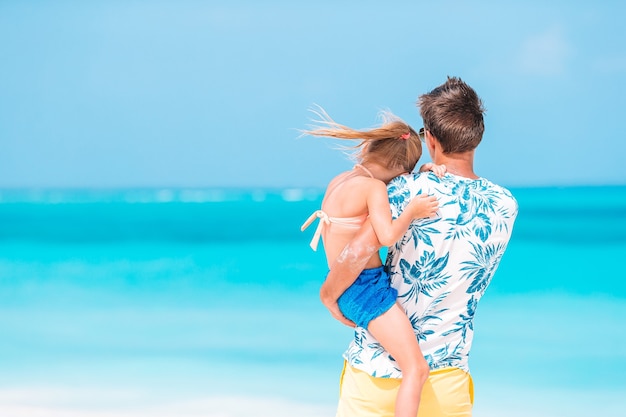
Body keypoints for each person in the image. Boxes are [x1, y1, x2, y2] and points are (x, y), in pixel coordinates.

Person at [320, 77, 519, 417]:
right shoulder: (505, 205)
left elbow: (354, 255)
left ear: (431, 139)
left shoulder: (403, 190)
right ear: (477, 138)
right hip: (448, 383)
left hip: (374, 375)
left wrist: (328, 296)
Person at [300, 107, 446, 417]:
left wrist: (419, 176)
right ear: (396, 166)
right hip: (365, 288)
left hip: (348, 286)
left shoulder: (340, 180)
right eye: (405, 171)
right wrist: (413, 210)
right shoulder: (373, 188)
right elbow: (388, 236)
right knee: (416, 369)